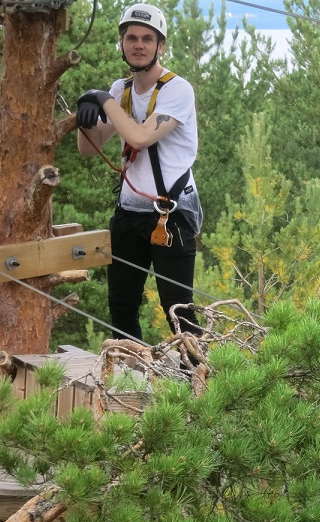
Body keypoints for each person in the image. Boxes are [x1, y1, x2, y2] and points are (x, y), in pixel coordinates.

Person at [76, 3, 202, 342]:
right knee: (121, 308)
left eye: (148, 38)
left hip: (169, 216)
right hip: (129, 214)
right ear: (122, 43)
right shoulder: (121, 91)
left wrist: (101, 100)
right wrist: (84, 113)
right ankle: (130, 385)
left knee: (179, 312)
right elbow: (89, 149)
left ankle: (199, 385)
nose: (139, 45)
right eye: (131, 37)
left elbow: (140, 137)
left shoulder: (177, 90)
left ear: (161, 46)